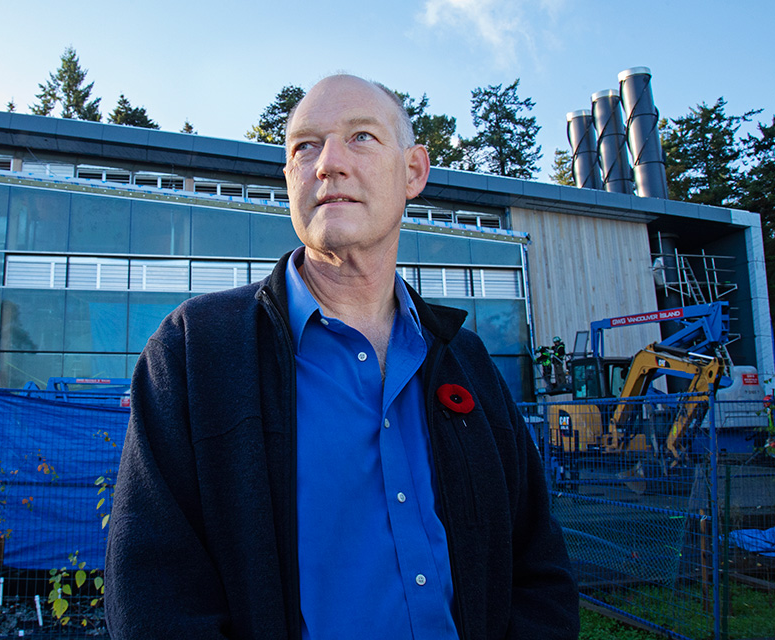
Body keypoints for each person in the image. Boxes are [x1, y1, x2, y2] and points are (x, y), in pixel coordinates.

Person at [105, 74, 579, 640]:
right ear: (289, 179)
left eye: (360, 137)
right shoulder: (194, 352)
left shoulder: (466, 362)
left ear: (414, 172)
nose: (327, 163)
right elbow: (154, 597)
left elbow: (539, 568)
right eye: (305, 146)